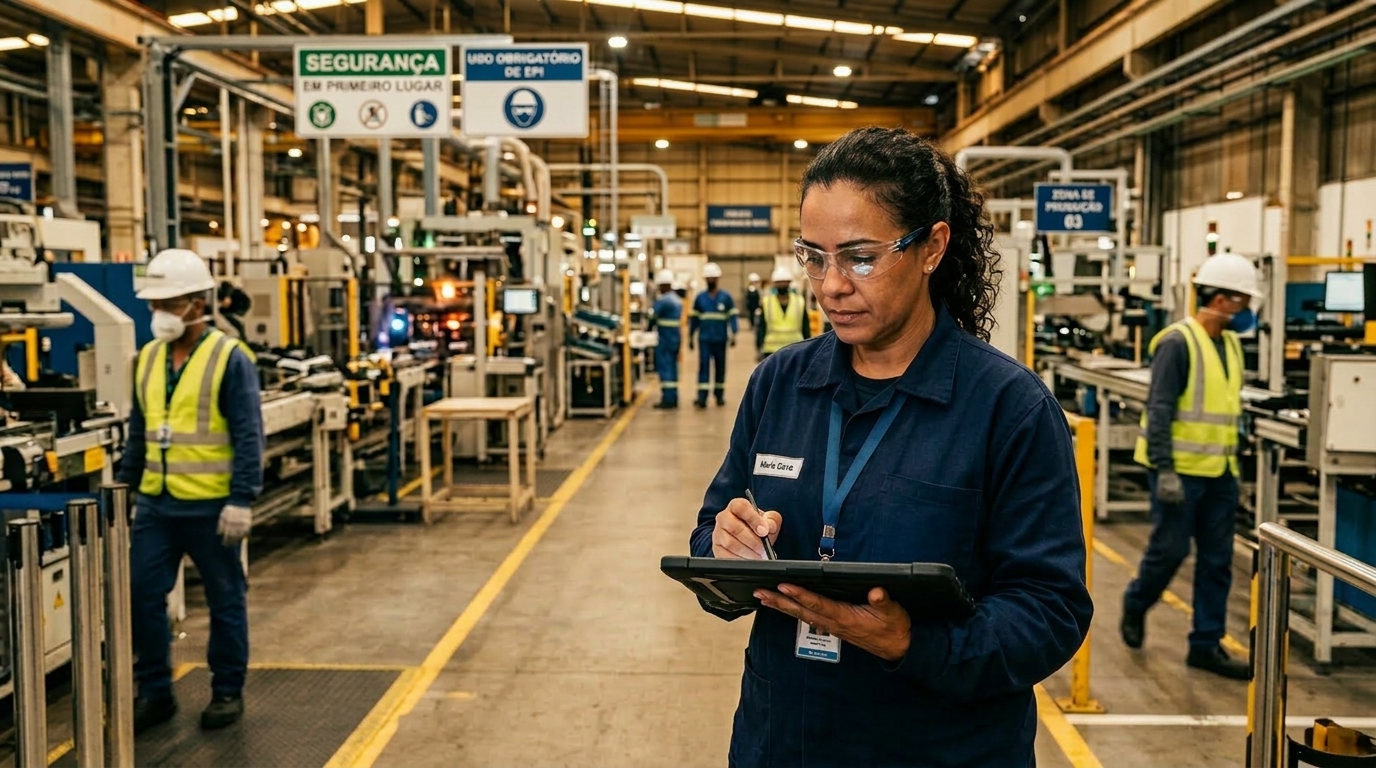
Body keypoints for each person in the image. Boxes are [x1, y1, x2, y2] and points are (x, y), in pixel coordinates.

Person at [689, 127, 1092, 767]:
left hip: (938, 747)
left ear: (932, 247)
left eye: (860, 257)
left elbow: (1050, 612)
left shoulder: (1007, 409)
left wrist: (914, 643)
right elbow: (711, 536)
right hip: (783, 740)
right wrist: (725, 548)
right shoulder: (780, 385)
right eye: (814, 257)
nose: (831, 286)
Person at [118, 249, 266, 734]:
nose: (160, 313)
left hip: (212, 506)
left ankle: (226, 691)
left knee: (225, 599)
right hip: (157, 506)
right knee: (141, 594)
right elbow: (139, 431)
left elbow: (248, 434)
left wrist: (243, 497)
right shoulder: (146, 359)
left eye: (170, 302)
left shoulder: (230, 359)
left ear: (198, 303)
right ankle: (155, 691)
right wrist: (124, 485)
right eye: (154, 304)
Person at [1120, 252, 1260, 680]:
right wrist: (1164, 469)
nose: (1248, 312)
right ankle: (1137, 601)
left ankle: (1206, 644)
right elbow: (1159, 410)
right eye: (1242, 302)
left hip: (1219, 473)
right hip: (1178, 472)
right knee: (1171, 552)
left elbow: (1226, 403)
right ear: (1220, 299)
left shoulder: (1232, 344)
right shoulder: (1178, 343)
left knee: (1217, 561)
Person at [689, 262, 738, 408]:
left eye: (713, 278)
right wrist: (691, 336)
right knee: (703, 366)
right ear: (705, 280)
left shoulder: (726, 298)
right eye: (708, 278)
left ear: (718, 279)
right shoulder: (700, 298)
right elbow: (695, 319)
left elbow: (732, 317)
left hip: (720, 338)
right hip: (704, 339)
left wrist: (734, 333)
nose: (711, 280)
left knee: (720, 367)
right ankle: (702, 397)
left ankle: (719, 395)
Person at [754, 265, 810, 360]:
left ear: (789, 283)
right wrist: (759, 347)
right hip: (771, 350)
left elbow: (805, 327)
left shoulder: (799, 301)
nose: (782, 285)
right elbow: (761, 327)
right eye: (779, 282)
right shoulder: (767, 302)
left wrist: (809, 348)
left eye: (784, 282)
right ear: (774, 284)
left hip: (796, 349)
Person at [649, 269, 683, 410]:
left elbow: (653, 316)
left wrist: (648, 328)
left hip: (665, 339)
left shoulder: (664, 301)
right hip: (675, 338)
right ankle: (673, 396)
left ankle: (667, 399)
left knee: (665, 368)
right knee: (673, 369)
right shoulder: (676, 299)